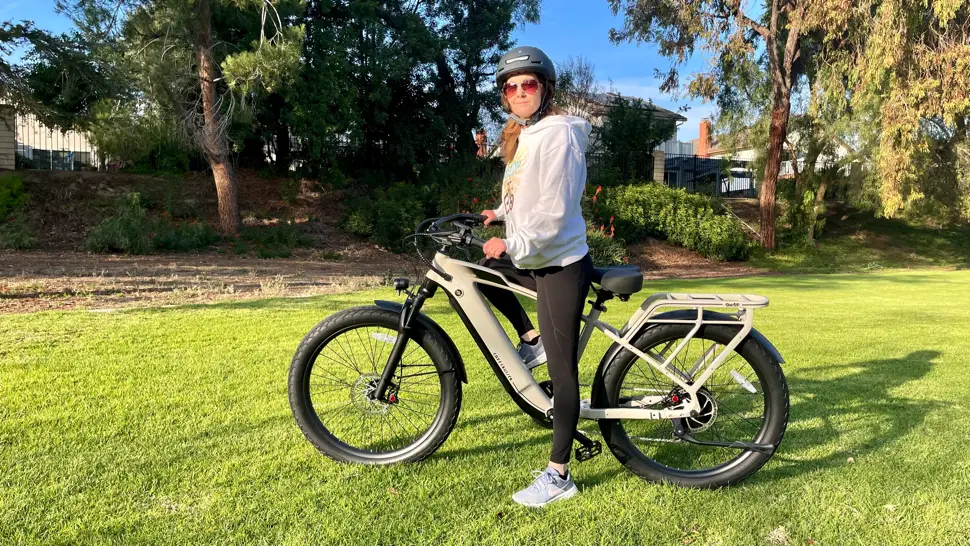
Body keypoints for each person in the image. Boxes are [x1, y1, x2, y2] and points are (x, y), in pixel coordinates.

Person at [478, 45, 594, 508]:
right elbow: (524, 197)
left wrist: (513, 243)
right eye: (512, 86)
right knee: (482, 272)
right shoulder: (526, 136)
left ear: (545, 89)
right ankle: (531, 339)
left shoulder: (559, 135)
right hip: (536, 258)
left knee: (563, 374)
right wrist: (499, 214)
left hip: (559, 263)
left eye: (529, 83)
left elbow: (554, 211)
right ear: (505, 95)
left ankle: (559, 475)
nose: (520, 91)